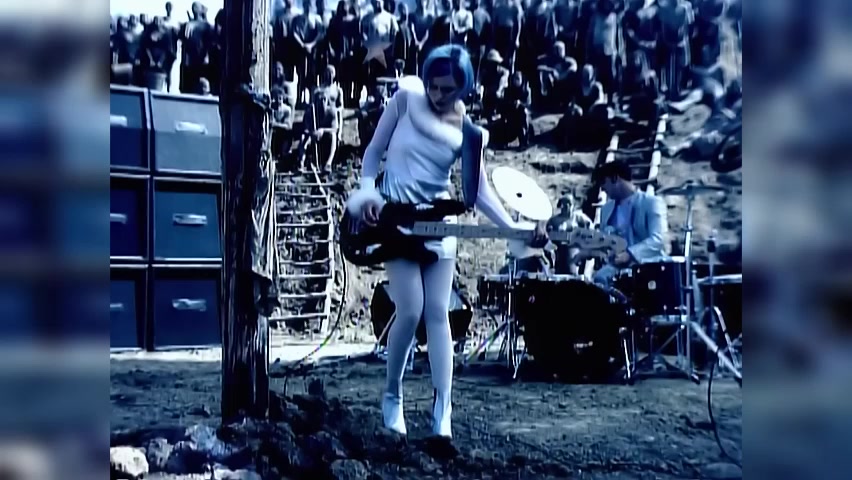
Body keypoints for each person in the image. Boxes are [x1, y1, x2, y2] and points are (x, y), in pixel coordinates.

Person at [345, 45, 546, 439]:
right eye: (433, 86)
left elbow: (479, 192)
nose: (438, 95)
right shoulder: (405, 101)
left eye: (447, 89)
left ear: (464, 87)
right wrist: (368, 193)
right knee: (410, 309)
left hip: (439, 224)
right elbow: (372, 153)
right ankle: (393, 396)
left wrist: (515, 228)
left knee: (439, 313)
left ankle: (443, 412)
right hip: (396, 220)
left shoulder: (467, 131)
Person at [585, 160, 668, 285]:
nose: (602, 188)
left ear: (615, 178)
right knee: (598, 280)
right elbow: (605, 242)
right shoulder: (606, 209)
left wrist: (630, 254)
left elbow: (659, 239)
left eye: (603, 182)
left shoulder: (651, 202)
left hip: (648, 267)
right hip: (618, 270)